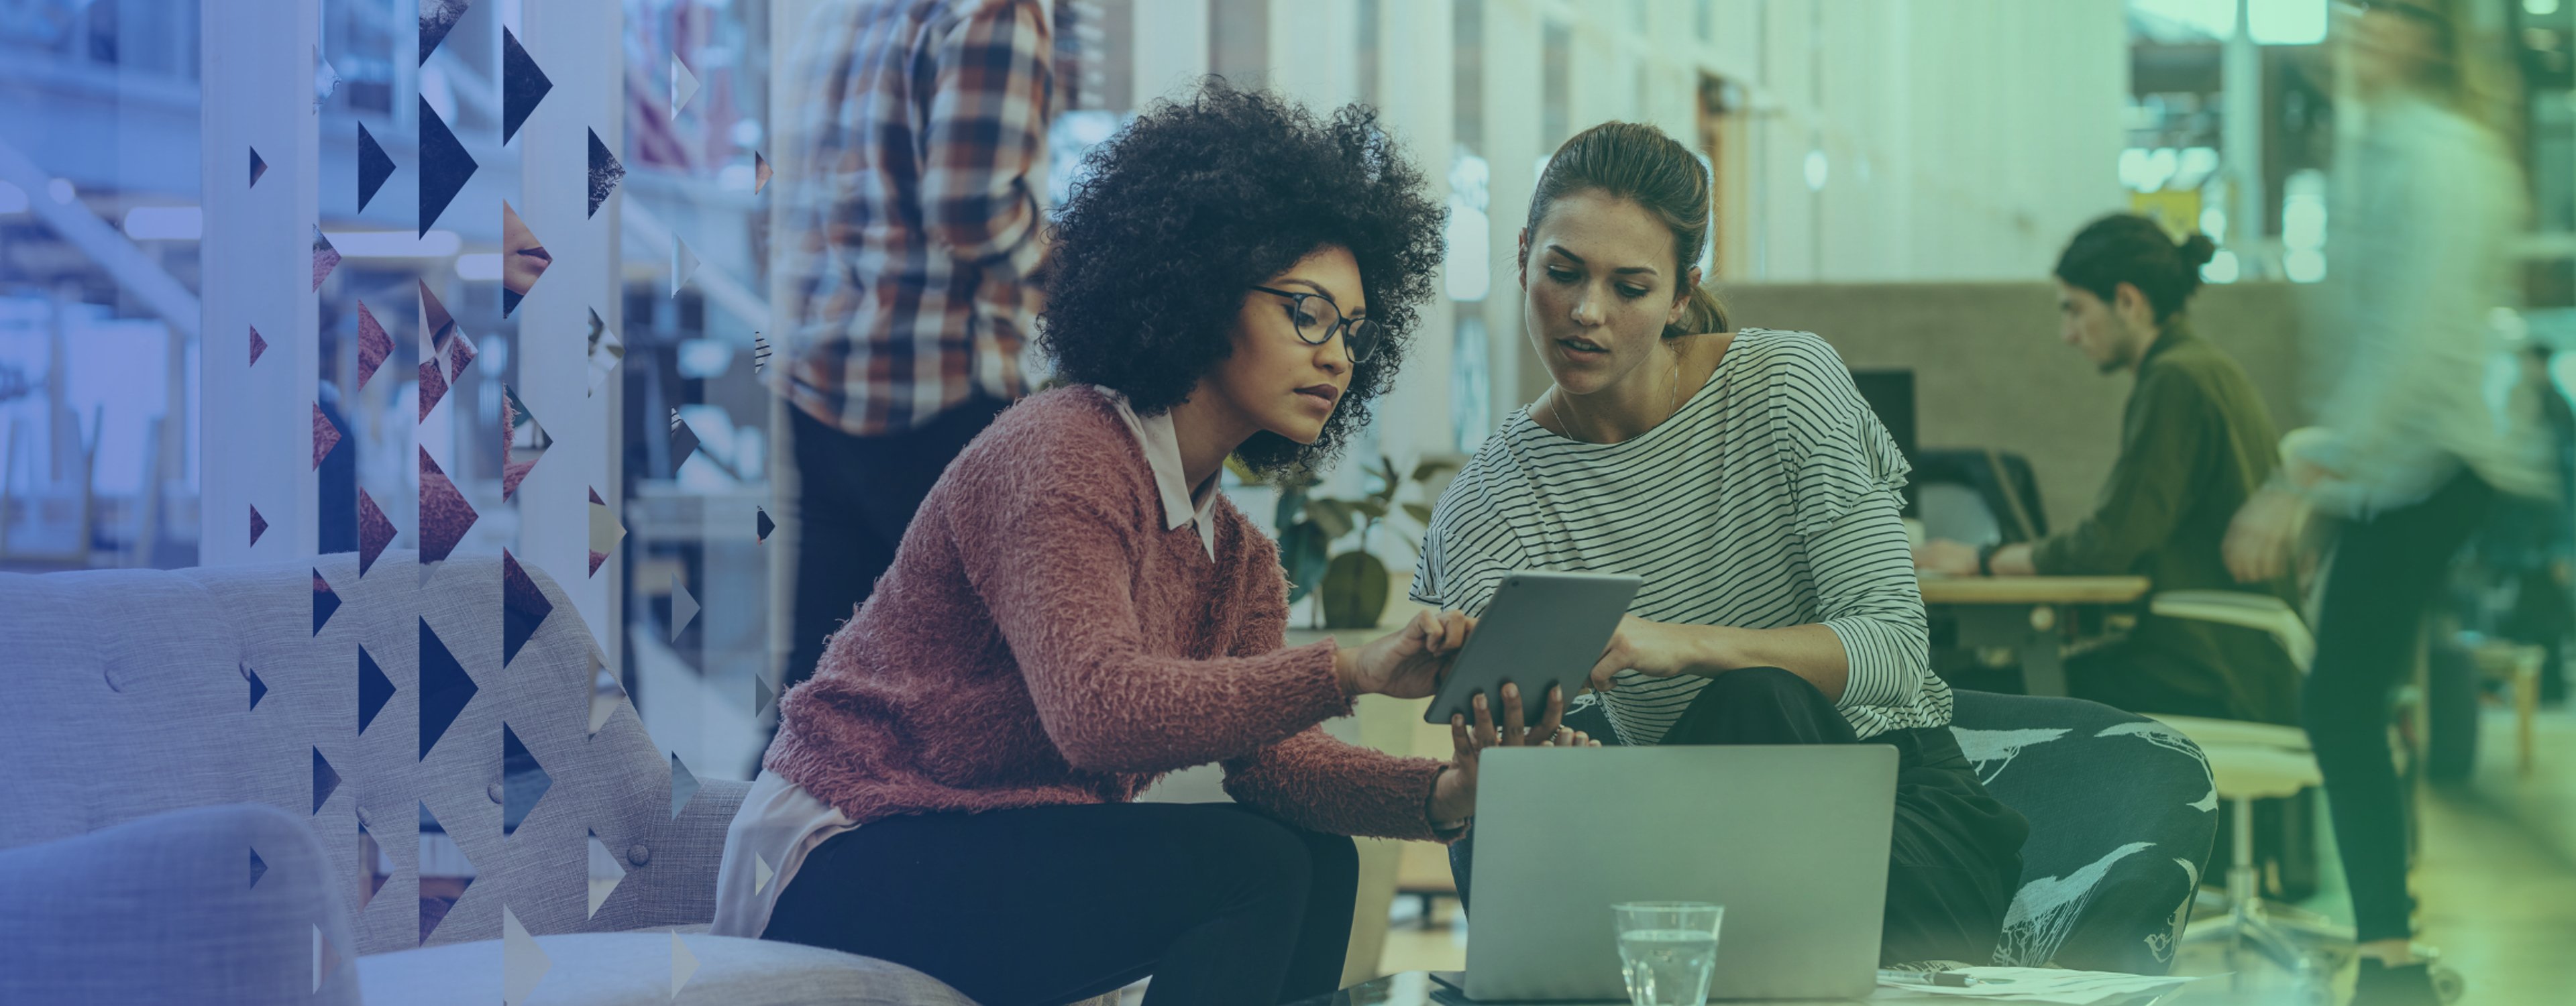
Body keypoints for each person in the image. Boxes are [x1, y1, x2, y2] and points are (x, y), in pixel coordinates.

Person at [715, 82, 1593, 1006]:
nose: (1337, 354)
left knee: (1316, 859)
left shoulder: (1237, 556)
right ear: (1202, 285)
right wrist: (1350, 669)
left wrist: (1447, 795)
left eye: (1351, 328)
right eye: (1306, 311)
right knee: (1251, 866)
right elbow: (1094, 710)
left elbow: (1280, 767)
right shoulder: (1060, 452)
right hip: (848, 841)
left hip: (988, 839)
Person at [1415, 121, 2027, 966]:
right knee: (1507, 808)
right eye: (1563, 273)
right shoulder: (1485, 504)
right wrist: (1516, 741)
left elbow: (1894, 647)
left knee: (1755, 702)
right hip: (1683, 844)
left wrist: (1681, 648)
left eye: (1630, 287)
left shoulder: (1786, 385)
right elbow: (1567, 780)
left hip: (1896, 830)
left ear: (1680, 294)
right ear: (1522, 255)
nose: (1586, 312)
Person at [2221, 3, 2553, 1003]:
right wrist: (2334, 490)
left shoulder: (2444, 156)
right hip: (2403, 466)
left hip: (2440, 463)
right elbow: (2364, 349)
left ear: (2423, 36)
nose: (2351, 36)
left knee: (2342, 700)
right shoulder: (2378, 152)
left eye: (2376, 18)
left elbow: (2409, 344)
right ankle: (2391, 950)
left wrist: (2301, 486)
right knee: (2355, 700)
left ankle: (2392, 959)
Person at [763, 0, 1054, 754]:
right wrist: (1078, 268)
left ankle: (765, 863)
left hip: (824, 380)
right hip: (938, 391)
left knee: (821, 690)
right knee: (974, 711)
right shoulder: (992, 11)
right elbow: (972, 210)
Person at [1916, 215, 2301, 725]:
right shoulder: (2201, 368)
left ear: (2127, 301)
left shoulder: (2176, 381)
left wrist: (1981, 560)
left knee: (1953, 699)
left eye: (2075, 310)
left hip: (2204, 671)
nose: (2068, 334)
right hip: (2239, 663)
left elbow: (2106, 547)